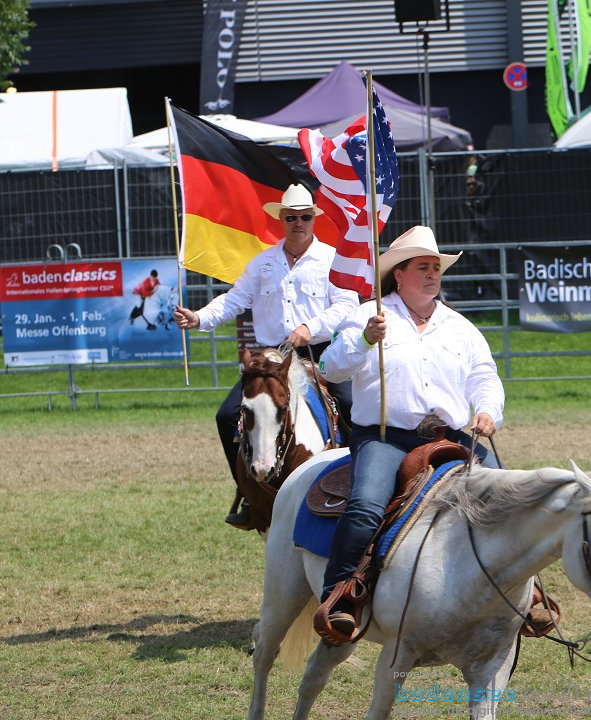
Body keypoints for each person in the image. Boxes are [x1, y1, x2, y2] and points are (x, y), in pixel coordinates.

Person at [316, 225, 504, 636]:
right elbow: (330, 368)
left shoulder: (460, 327)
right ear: (399, 274)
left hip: (449, 438)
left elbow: (485, 377)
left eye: (436, 267)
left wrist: (488, 410)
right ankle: (339, 596)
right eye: (423, 267)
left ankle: (517, 596)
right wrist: (364, 340)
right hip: (383, 437)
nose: (433, 274)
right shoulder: (368, 315)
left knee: (504, 497)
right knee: (366, 506)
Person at [174, 183, 359, 525]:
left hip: (321, 352)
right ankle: (250, 495)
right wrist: (199, 318)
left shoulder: (331, 260)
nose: (298, 223)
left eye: (305, 216)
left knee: (352, 406)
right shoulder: (262, 264)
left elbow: (348, 304)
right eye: (291, 217)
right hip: (271, 357)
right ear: (282, 219)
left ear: (314, 219)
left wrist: (311, 327)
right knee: (227, 415)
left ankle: (356, 487)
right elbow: (234, 300)